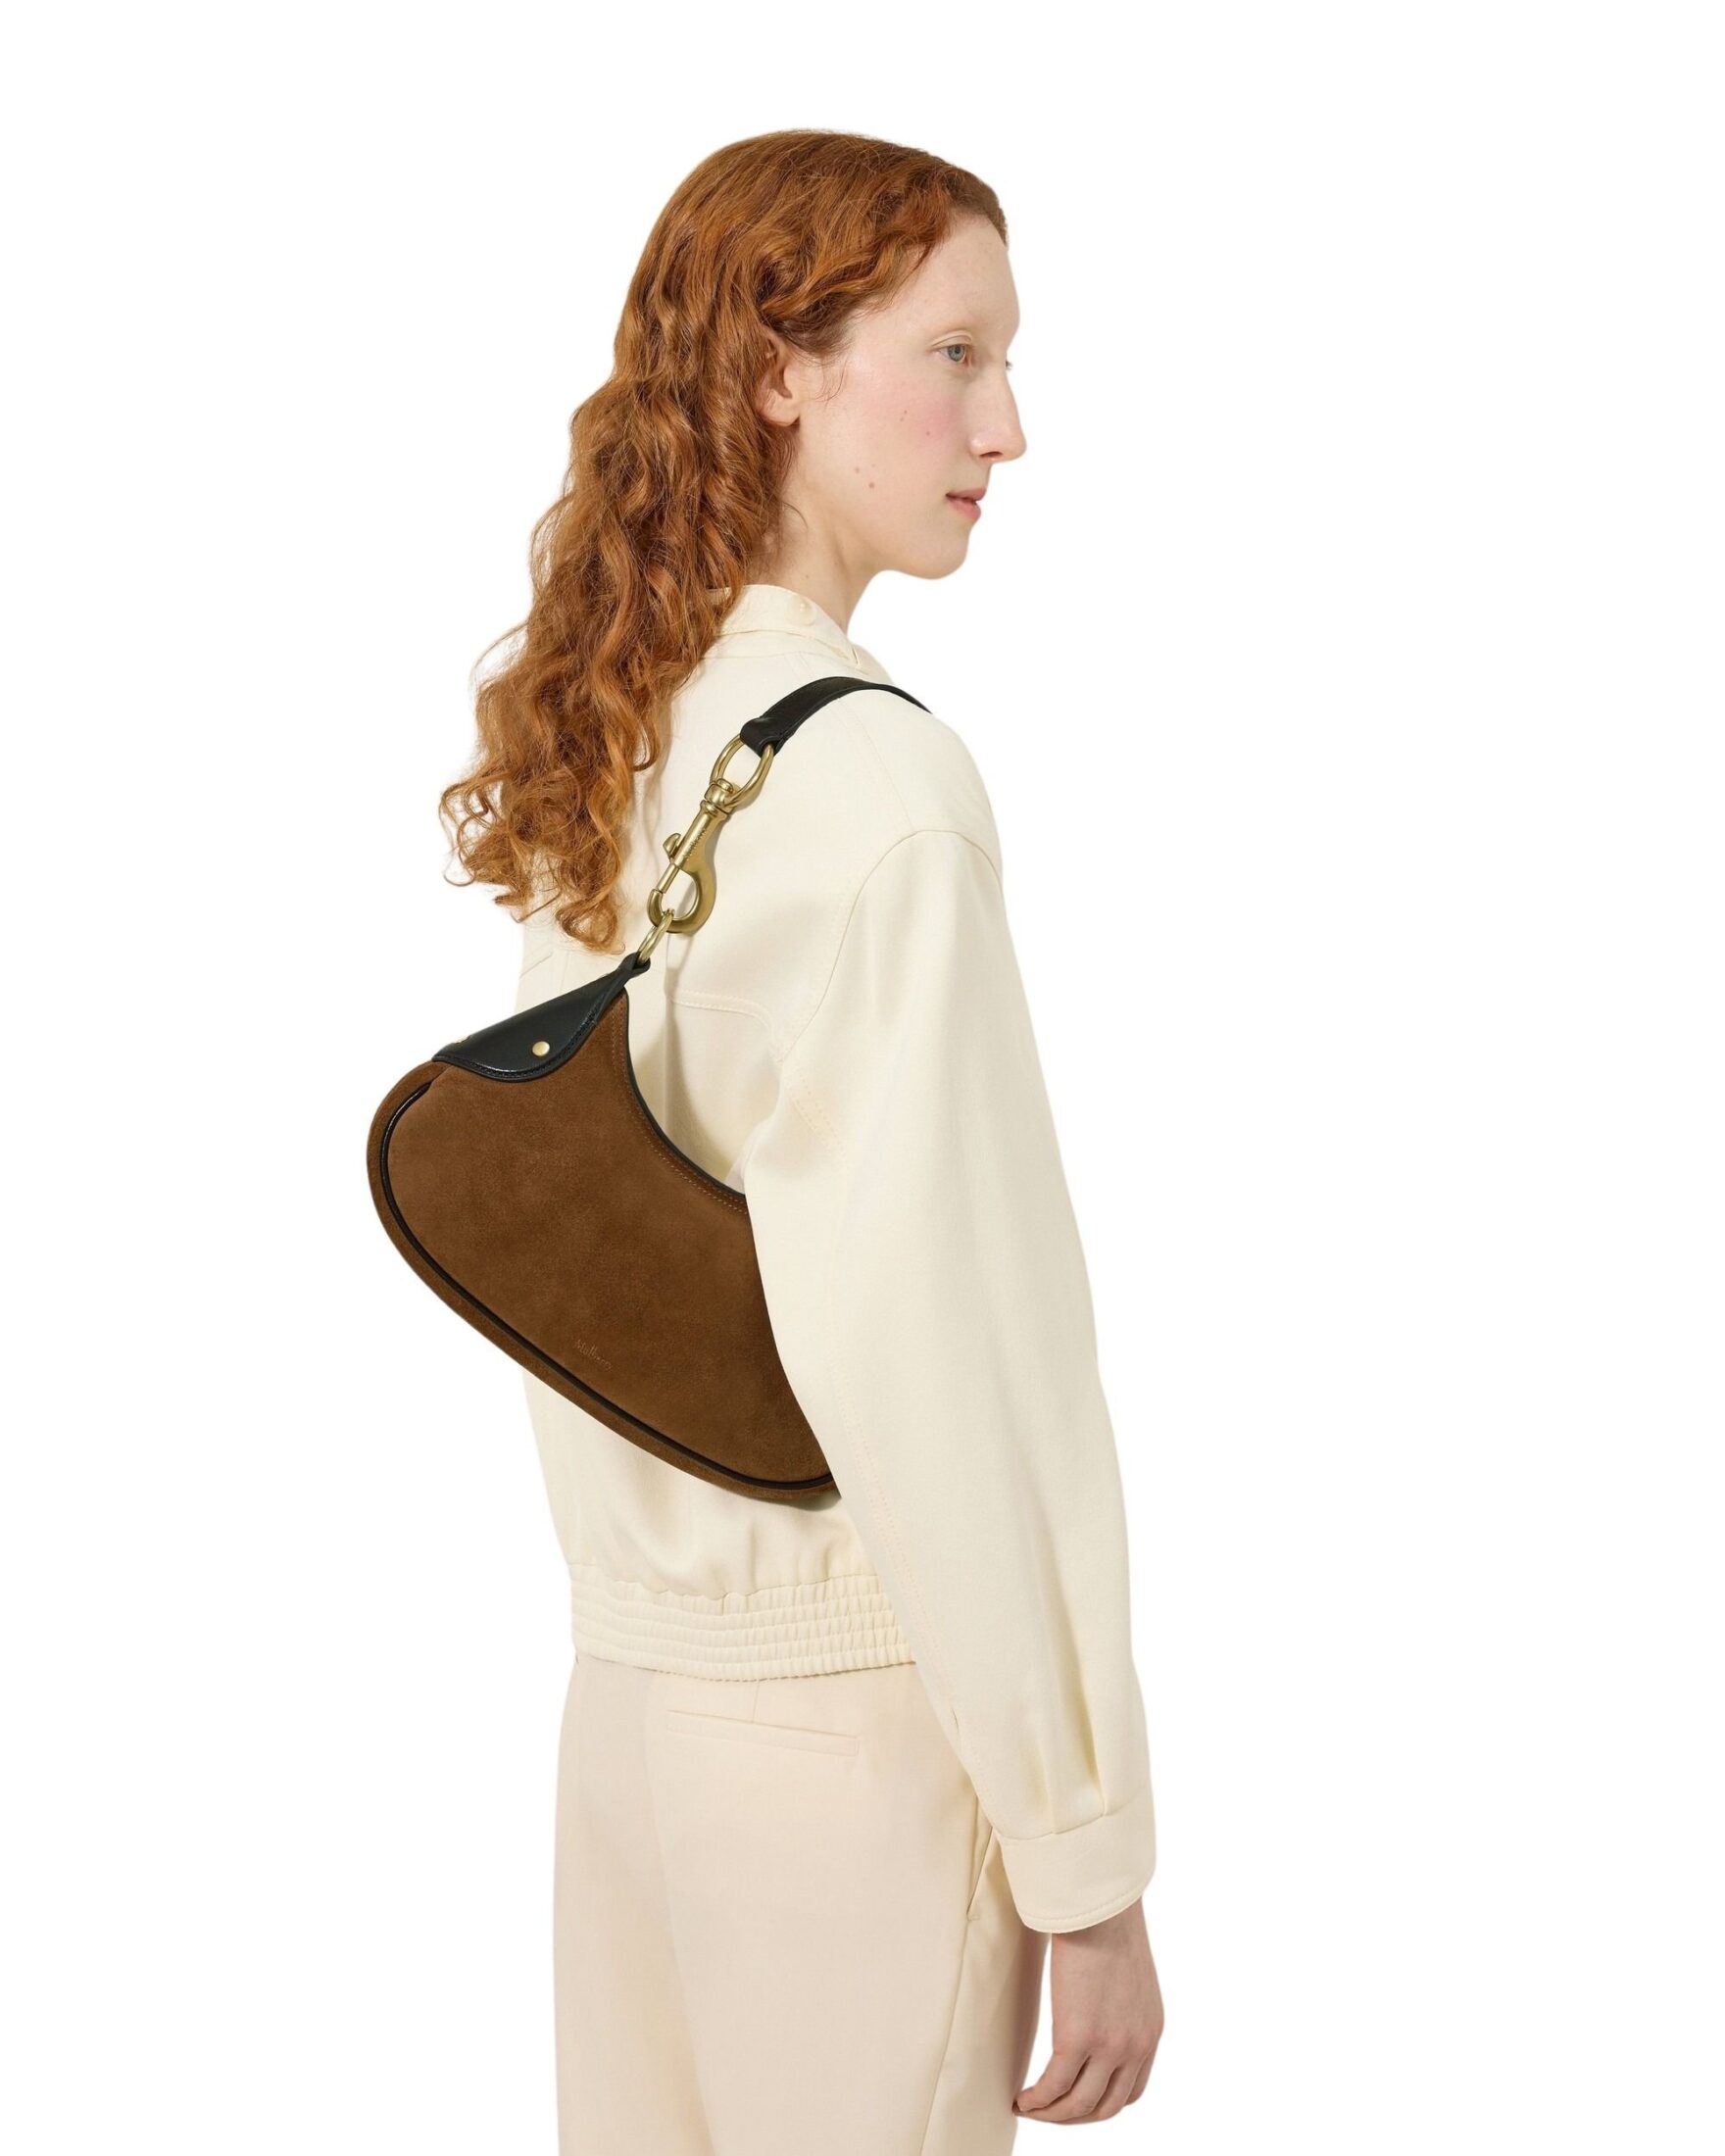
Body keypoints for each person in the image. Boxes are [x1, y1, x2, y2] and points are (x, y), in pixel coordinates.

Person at [439, 128, 1165, 2152]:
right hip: (857, 1744)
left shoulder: (614, 741)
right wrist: (1081, 1845)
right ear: (778, 369)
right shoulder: (877, 790)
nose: (1005, 427)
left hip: (631, 1722)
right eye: (955, 355)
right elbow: (950, 1356)